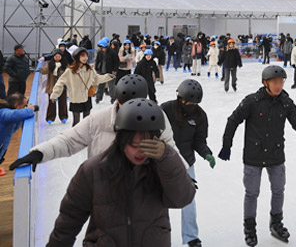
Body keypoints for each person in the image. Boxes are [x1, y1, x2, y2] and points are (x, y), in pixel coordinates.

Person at [45, 99, 196, 247]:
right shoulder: (94, 170)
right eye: (133, 145)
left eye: (146, 145)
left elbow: (182, 199)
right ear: (121, 140)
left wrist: (167, 157)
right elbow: (68, 221)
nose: (139, 152)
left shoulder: (161, 169)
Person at [219, 65, 296, 246]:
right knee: (252, 193)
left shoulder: (286, 102)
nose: (279, 85)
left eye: (281, 82)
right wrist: (227, 145)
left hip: (275, 154)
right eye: (275, 82)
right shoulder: (252, 101)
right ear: (265, 83)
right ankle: (250, 228)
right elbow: (233, 120)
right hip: (254, 155)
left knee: (278, 190)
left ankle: (276, 223)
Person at [10, 75, 181, 172]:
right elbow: (69, 140)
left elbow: (170, 148)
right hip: (106, 196)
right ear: (118, 100)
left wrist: (182, 173)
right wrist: (39, 153)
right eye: (126, 105)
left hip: (144, 198)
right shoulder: (99, 120)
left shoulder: (157, 119)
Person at [161, 79, 214, 247]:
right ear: (180, 99)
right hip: (163, 162)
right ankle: (160, 236)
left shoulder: (200, 116)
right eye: (188, 102)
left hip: (186, 163)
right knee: (159, 201)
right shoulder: (166, 109)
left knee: (189, 201)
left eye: (195, 103)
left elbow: (199, 141)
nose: (191, 105)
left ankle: (191, 237)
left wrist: (207, 154)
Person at [50, 48, 114, 126]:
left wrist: (108, 76)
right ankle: (74, 137)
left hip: (87, 97)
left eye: (86, 56)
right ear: (77, 57)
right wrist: (54, 95)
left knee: (86, 122)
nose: (85, 58)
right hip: (76, 99)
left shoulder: (89, 69)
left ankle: (85, 137)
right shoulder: (70, 71)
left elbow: (96, 79)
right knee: (76, 122)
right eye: (82, 56)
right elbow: (60, 83)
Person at [0, 94, 38, 176]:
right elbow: (16, 115)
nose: (26, 107)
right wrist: (31, 109)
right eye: (24, 106)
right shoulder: (4, 112)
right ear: (17, 105)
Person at [41, 50, 69, 124]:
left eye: (59, 56)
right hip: (52, 86)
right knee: (51, 102)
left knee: (63, 102)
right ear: (53, 57)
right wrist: (41, 69)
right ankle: (50, 117)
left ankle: (63, 117)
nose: (57, 58)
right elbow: (45, 71)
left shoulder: (65, 64)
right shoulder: (50, 64)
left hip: (62, 86)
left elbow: (69, 72)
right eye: (56, 56)